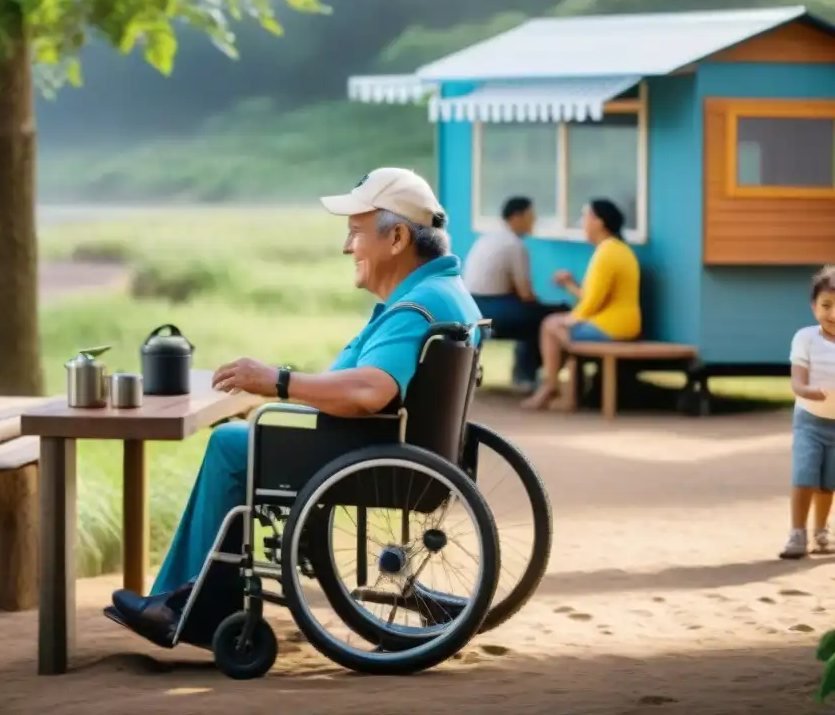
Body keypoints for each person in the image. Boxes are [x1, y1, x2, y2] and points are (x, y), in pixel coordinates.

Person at [108, 167, 482, 646]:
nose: (347, 247)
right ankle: (192, 594)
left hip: (370, 454)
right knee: (250, 435)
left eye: (355, 233)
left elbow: (371, 391)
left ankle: (190, 605)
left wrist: (279, 383)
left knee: (229, 445)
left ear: (398, 238)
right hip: (393, 448)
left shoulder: (416, 306)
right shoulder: (446, 293)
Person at [521, 198, 641, 410]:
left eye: (585, 218)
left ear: (599, 222)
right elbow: (593, 297)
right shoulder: (616, 249)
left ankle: (551, 386)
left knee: (551, 326)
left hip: (612, 326)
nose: (582, 224)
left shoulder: (607, 253)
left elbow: (592, 303)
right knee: (561, 327)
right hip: (619, 322)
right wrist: (569, 286)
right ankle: (567, 393)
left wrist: (570, 319)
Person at [462, 196, 569, 390]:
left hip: (472, 306)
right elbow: (525, 294)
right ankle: (527, 375)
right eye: (531, 216)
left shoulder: (487, 238)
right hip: (492, 308)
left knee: (531, 315)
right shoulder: (514, 244)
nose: (533, 221)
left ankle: (522, 373)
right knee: (547, 316)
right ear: (517, 217)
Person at [780, 265, 835, 559]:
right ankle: (797, 533)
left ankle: (821, 532)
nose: (833, 314)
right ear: (814, 306)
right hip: (809, 421)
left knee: (829, 482)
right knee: (805, 475)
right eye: (826, 305)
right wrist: (805, 390)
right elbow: (798, 378)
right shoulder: (806, 338)